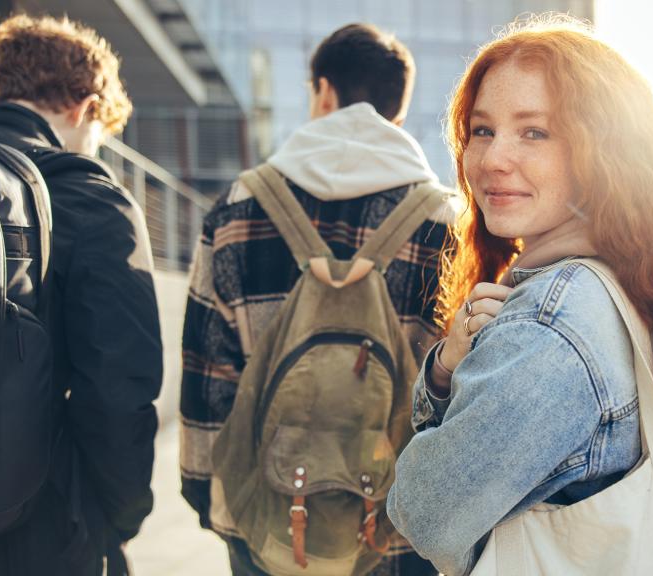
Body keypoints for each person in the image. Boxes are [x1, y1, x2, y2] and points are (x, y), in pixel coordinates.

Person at [386, 17, 653, 576]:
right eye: (481, 130)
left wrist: (442, 379)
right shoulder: (652, 276)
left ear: (605, 151)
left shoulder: (553, 324)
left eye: (534, 132)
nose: (493, 159)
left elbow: (425, 513)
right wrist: (452, 371)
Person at [179, 23, 450, 576]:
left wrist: (207, 495)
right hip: (398, 529)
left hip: (267, 520)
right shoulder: (445, 221)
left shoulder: (238, 208)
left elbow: (208, 372)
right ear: (396, 110)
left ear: (323, 91)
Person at [0, 14, 163, 575]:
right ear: (86, 107)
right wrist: (117, 519)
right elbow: (119, 388)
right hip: (41, 523)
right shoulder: (91, 199)